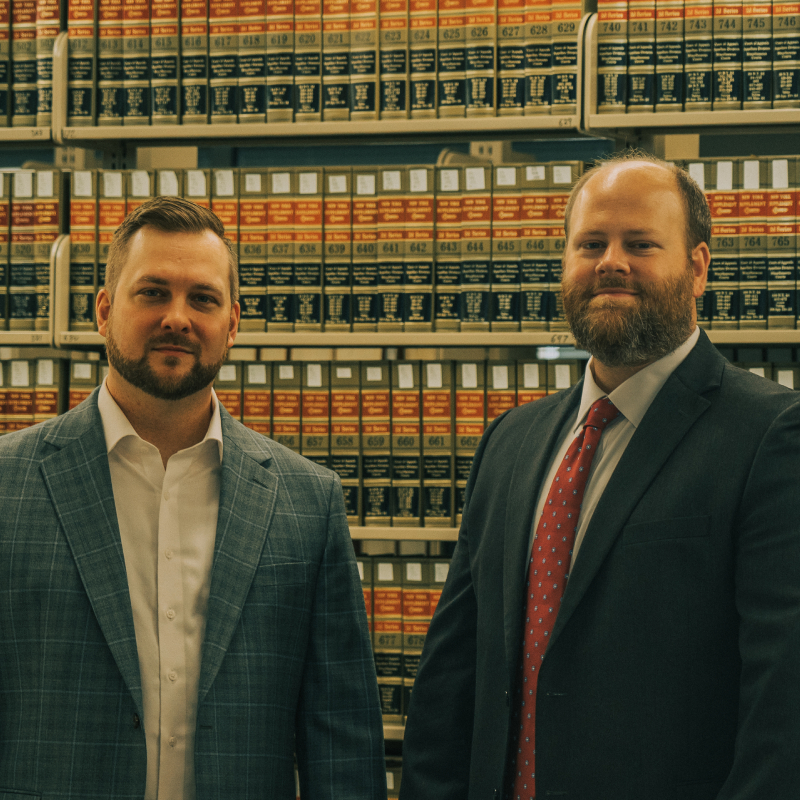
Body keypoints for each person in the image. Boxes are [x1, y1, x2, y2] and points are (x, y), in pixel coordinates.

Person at [400, 152, 800, 800]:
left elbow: (783, 710)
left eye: (640, 243)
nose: (610, 261)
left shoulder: (771, 439)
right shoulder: (510, 442)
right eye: (591, 243)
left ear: (698, 268)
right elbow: (450, 684)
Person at [0, 196, 386, 800]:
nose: (177, 317)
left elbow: (342, 740)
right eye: (152, 292)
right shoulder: (8, 484)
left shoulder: (307, 502)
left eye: (201, 299)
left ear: (232, 323)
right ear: (103, 310)